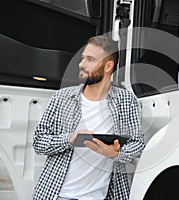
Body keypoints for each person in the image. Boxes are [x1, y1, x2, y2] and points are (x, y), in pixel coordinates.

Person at [32, 35, 145, 200]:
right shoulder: (62, 98)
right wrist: (70, 139)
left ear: (108, 66)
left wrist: (114, 153)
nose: (81, 64)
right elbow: (38, 143)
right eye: (82, 58)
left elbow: (138, 145)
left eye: (90, 59)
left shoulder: (125, 101)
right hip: (56, 195)